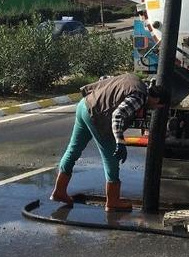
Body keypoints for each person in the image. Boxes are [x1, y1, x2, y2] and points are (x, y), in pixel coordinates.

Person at [50, 73, 167, 212]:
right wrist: (120, 141)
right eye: (157, 106)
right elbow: (117, 115)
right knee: (111, 157)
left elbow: (105, 79)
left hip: (85, 104)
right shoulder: (139, 97)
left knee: (73, 150)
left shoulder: (136, 80)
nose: (155, 108)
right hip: (97, 115)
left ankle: (59, 191)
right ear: (157, 100)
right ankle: (113, 201)